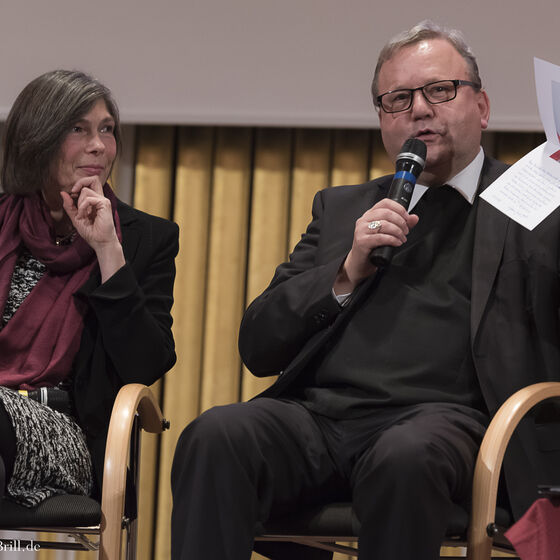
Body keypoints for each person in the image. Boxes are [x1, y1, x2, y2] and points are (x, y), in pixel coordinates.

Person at [171, 20, 560, 560]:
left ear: (483, 107)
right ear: (383, 120)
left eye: (440, 91)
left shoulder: (535, 203)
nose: (420, 110)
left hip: (446, 426)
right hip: (320, 423)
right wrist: (346, 269)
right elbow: (258, 346)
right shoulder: (342, 210)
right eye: (399, 99)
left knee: (405, 454)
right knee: (215, 434)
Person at [0, 70, 178, 507]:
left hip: (68, 431)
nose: (99, 145)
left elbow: (145, 364)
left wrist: (107, 250)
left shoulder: (144, 239)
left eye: (106, 130)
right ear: (37, 140)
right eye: (78, 129)